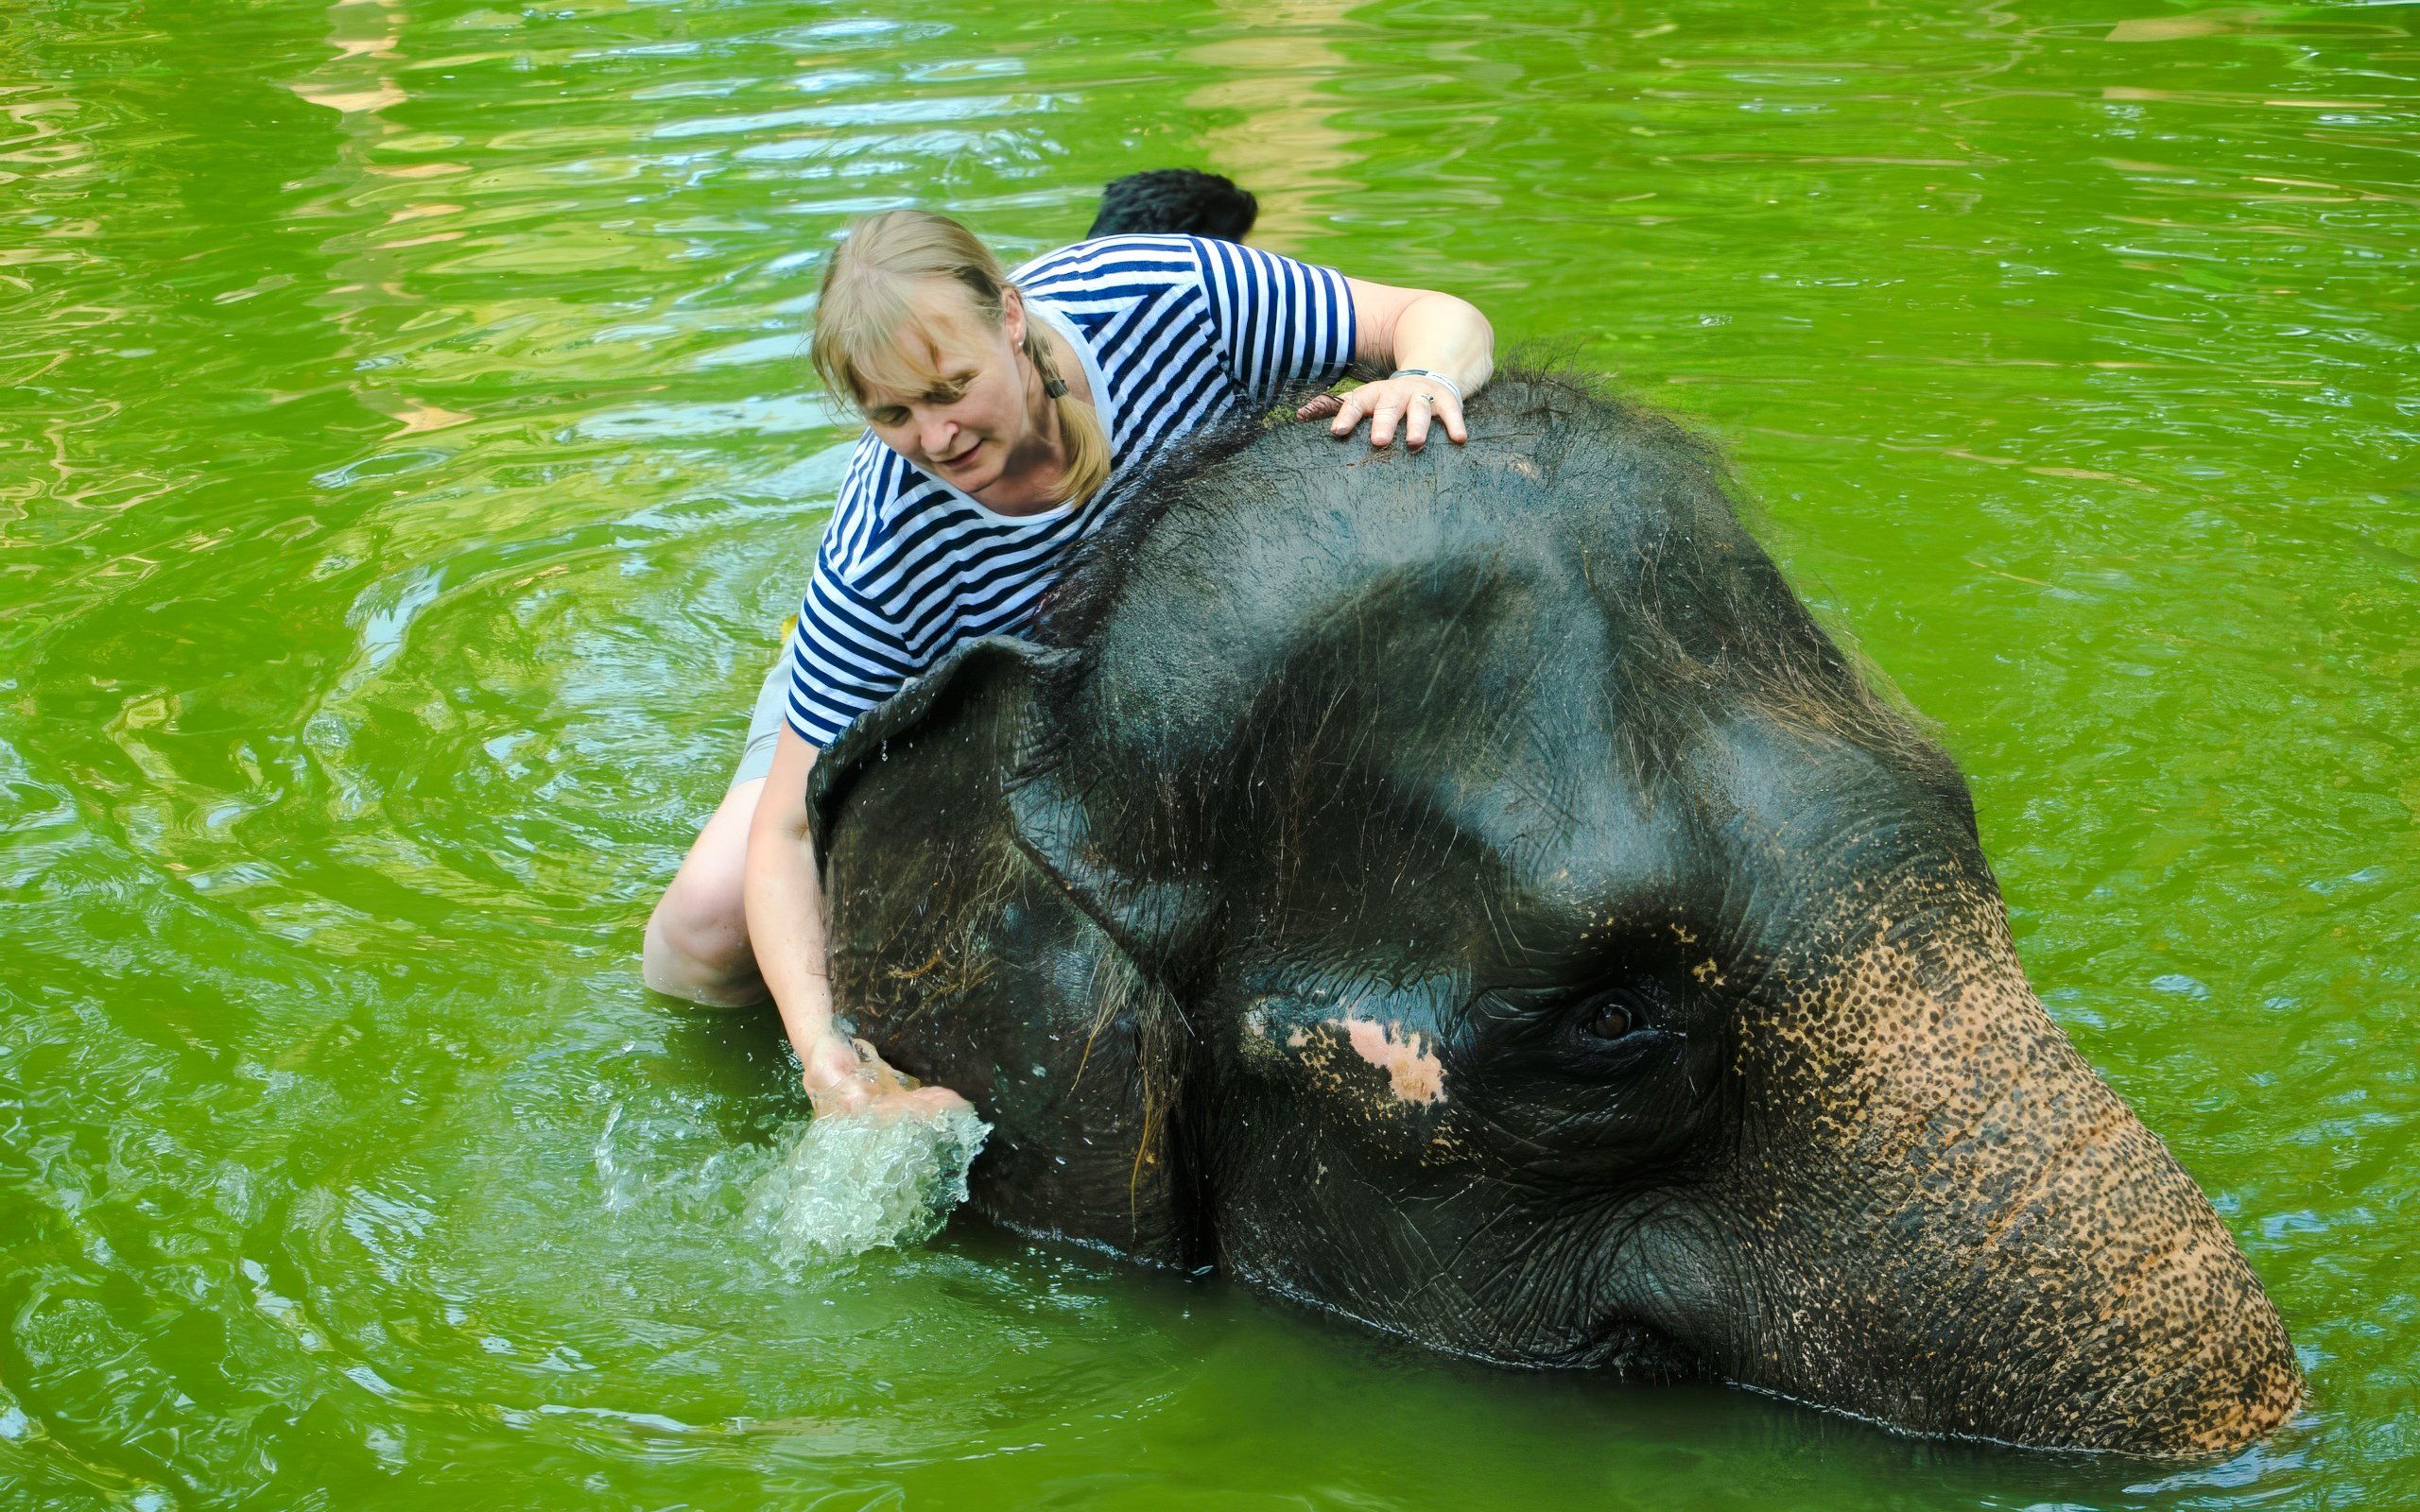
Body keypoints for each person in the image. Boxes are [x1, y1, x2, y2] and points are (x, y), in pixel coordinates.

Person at [644, 201, 1494, 1116]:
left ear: (1010, 319)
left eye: (949, 389)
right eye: (891, 413)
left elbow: (1436, 317)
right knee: (702, 923)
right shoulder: (885, 540)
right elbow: (785, 834)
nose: (934, 440)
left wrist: (1421, 375)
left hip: (1176, 646)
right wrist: (823, 1055)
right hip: (942, 672)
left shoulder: (1165, 299)